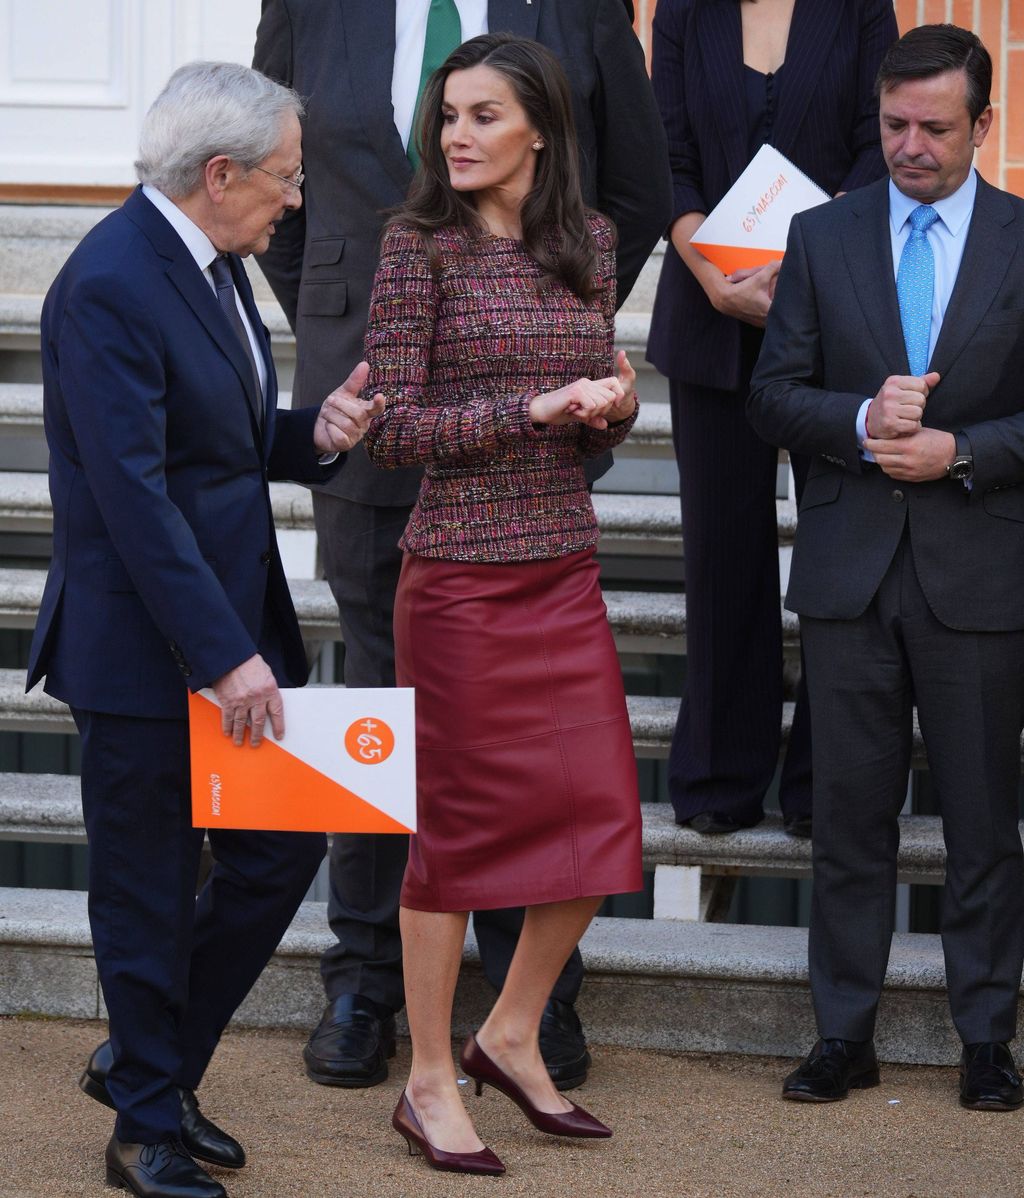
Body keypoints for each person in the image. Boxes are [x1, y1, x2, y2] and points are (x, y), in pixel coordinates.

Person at [252, 0, 671, 1094]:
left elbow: (633, 178)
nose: (460, 129)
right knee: (382, 704)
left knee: (530, 737)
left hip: (528, 456)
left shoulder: (577, 10)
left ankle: (529, 994)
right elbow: (279, 184)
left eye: (482, 114)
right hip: (371, 368)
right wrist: (360, 311)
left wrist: (541, 322)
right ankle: (363, 978)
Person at [26, 62, 382, 1198]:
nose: (294, 198)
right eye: (284, 176)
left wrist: (312, 433)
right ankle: (143, 1126)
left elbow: (212, 439)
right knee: (146, 882)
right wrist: (224, 655)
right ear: (218, 174)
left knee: (280, 852)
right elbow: (132, 497)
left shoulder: (214, 263)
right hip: (145, 649)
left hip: (228, 627)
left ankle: (151, 1064)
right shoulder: (110, 282)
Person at [360, 33, 643, 1175]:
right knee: (456, 838)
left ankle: (510, 1032)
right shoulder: (413, 249)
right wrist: (530, 410)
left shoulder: (593, 244)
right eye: (449, 116)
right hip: (461, 582)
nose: (457, 136)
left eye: (483, 115)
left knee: (599, 822)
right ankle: (428, 1076)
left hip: (561, 566)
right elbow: (395, 432)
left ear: (540, 129)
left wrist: (610, 408)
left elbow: (593, 399)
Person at [749, 23, 1024, 1110]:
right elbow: (773, 393)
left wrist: (963, 449)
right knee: (850, 820)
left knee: (981, 821)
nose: (909, 145)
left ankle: (986, 1040)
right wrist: (860, 419)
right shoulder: (821, 236)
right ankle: (842, 1034)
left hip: (979, 571)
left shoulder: (1019, 237)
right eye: (893, 123)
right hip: (849, 571)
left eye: (934, 127)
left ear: (983, 126)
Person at [647, 0, 898, 837]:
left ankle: (825, 783)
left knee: (836, 554)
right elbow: (667, 157)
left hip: (837, 312)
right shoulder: (683, 11)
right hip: (711, 308)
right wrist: (709, 269)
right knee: (723, 554)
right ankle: (720, 774)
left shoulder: (860, 8)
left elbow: (878, 144)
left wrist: (811, 267)